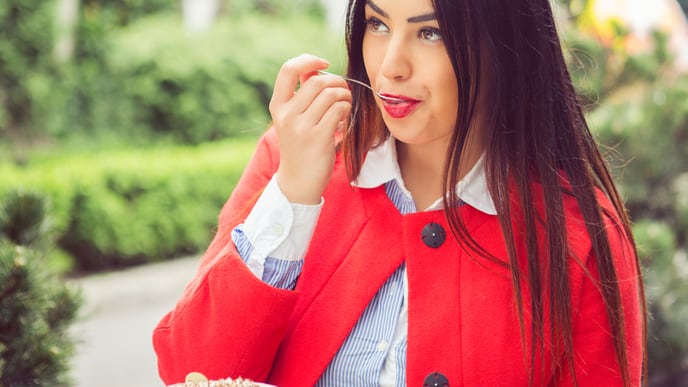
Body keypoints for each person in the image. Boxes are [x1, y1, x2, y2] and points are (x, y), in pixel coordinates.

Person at [153, 0, 646, 386]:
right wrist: (293, 195)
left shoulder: (580, 239)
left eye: (430, 32)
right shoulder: (292, 159)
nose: (390, 66)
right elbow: (191, 372)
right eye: (378, 23)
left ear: (506, 47)